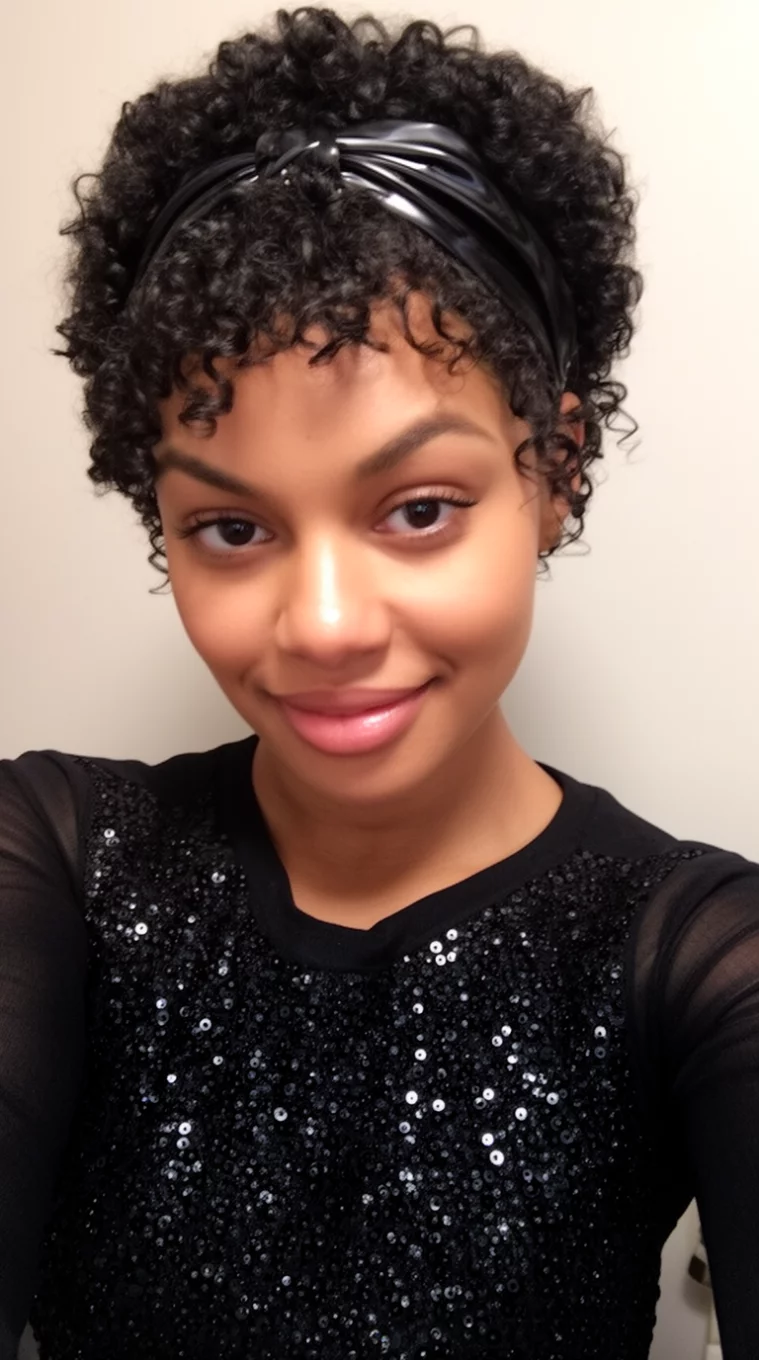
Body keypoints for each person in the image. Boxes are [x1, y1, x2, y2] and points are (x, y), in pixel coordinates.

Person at [1, 6, 756, 1358]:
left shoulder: (699, 960)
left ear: (555, 468)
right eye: (231, 530)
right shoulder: (47, 855)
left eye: (416, 508)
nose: (327, 625)